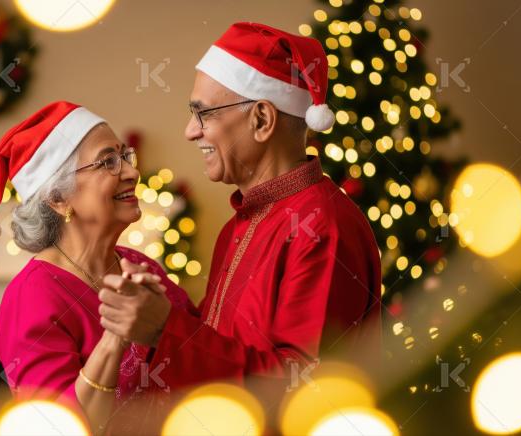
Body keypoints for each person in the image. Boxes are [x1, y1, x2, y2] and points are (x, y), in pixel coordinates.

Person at [98, 22, 383, 426]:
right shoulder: (240, 224)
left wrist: (167, 331)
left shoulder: (322, 226)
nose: (190, 130)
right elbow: (225, 349)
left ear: (262, 119)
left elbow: (303, 390)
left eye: (202, 113)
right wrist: (153, 310)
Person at [0, 101, 191, 434]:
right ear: (59, 198)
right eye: (108, 162)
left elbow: (201, 347)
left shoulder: (139, 265)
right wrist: (116, 336)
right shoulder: (32, 295)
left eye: (125, 156)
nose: (132, 172)